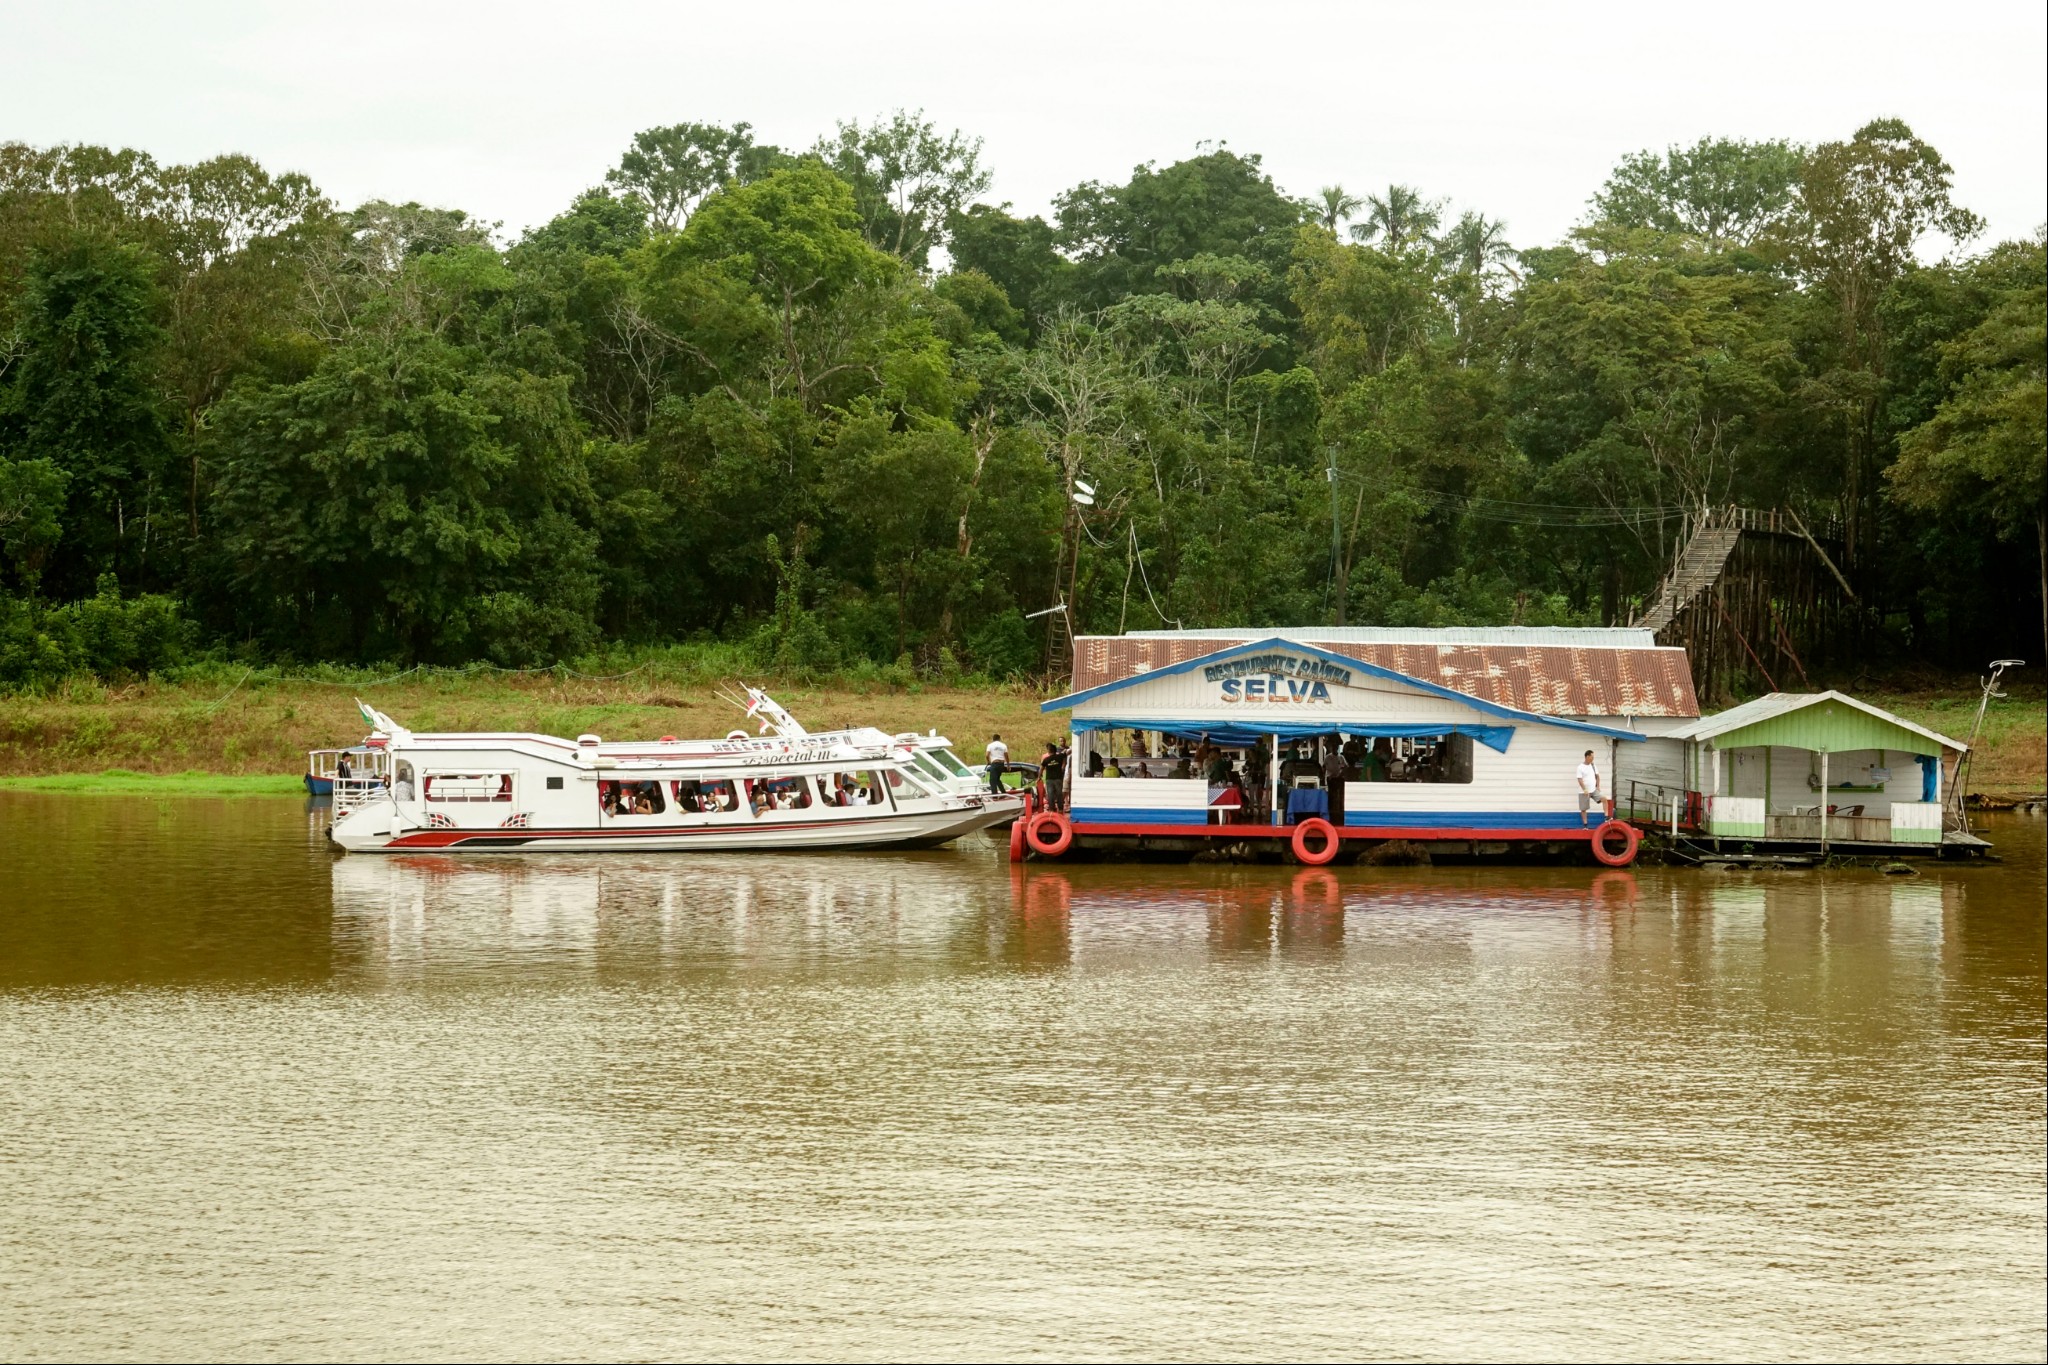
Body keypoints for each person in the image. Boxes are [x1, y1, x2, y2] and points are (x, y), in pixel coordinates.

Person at [1577, 749, 1603, 827]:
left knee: (1603, 799)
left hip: (1593, 790)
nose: (1593, 758)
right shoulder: (1580, 767)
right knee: (1583, 808)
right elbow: (1580, 779)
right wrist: (1584, 789)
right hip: (1584, 791)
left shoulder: (1593, 766)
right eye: (1592, 757)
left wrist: (1598, 786)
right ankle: (1585, 824)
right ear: (1587, 757)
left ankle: (1607, 817)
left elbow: (1597, 776)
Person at [1041, 740, 1067, 812]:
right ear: (1056, 750)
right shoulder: (1060, 756)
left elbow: (1041, 769)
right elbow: (1066, 754)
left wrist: (1039, 777)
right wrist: (1063, 765)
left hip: (1049, 779)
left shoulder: (1046, 759)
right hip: (1058, 778)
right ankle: (1060, 808)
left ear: (1049, 751)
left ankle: (1052, 809)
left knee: (1050, 794)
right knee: (1059, 794)